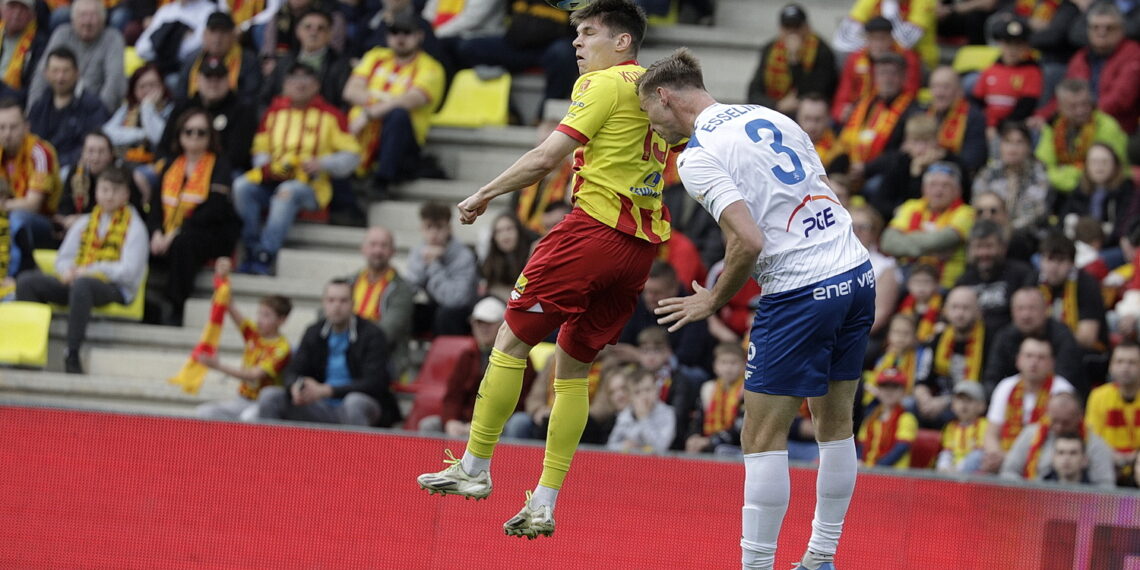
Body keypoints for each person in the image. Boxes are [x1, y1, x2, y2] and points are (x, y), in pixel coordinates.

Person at [417, 0, 669, 541]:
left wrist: (484, 193)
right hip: (639, 249)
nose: (577, 43)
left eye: (590, 33)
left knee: (509, 342)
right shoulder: (659, 88)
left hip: (592, 232)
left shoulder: (603, 84)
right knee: (573, 369)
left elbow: (543, 159)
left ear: (622, 42)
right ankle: (545, 501)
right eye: (576, 34)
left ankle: (476, 466)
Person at [639, 48, 874, 570]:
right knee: (835, 425)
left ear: (665, 96)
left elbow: (747, 241)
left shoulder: (698, 155)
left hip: (799, 292)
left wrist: (713, 299)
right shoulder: (771, 116)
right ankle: (820, 558)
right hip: (855, 273)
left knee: (761, 436)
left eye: (648, 116)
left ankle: (757, 566)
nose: (651, 129)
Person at [15, 166, 147, 373]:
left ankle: (72, 353)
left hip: (114, 288)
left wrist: (90, 271)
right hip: (77, 282)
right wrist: (67, 272)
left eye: (115, 190)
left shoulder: (135, 227)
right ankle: (28, 351)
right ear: (96, 192)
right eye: (104, 189)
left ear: (126, 194)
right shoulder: (85, 222)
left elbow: (128, 272)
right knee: (27, 282)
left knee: (83, 285)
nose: (109, 195)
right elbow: (63, 259)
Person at [233, 62, 360, 275]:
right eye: (293, 79)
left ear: (316, 85)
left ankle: (266, 253)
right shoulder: (273, 113)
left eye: (306, 79)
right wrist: (269, 167)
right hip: (273, 179)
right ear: (284, 85)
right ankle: (251, 245)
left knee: (287, 191)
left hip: (311, 186)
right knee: (241, 186)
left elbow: (353, 154)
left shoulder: (331, 116)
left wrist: (322, 163)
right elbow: (260, 149)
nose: (299, 85)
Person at [251, 278, 400, 427]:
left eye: (343, 301)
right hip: (319, 406)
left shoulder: (372, 334)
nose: (337, 306)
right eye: (331, 300)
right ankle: (268, 449)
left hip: (362, 405)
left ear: (353, 304)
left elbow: (375, 382)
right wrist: (296, 387)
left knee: (354, 403)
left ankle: (357, 450)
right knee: (270, 396)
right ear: (324, 303)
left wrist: (328, 390)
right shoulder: (314, 332)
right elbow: (293, 370)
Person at [148, 108, 241, 326]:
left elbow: (214, 210)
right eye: (189, 132)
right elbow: (155, 207)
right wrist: (155, 233)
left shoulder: (219, 164)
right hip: (169, 231)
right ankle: (145, 305)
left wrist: (175, 233)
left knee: (183, 243)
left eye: (201, 132)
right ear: (179, 135)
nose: (194, 137)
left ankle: (175, 306)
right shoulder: (170, 165)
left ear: (210, 136)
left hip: (209, 232)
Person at [343, 11, 445, 196]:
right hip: (363, 131)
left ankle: (382, 181)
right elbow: (350, 91)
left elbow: (409, 100)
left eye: (406, 33)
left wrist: (369, 112)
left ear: (419, 36)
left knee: (397, 115)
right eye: (394, 32)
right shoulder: (375, 56)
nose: (400, 38)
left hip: (402, 141)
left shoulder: (431, 68)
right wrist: (384, 102)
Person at [417, 296, 538, 435]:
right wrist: (451, 421)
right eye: (478, 324)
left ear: (502, 326)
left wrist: (483, 426)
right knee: (429, 425)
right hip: (465, 422)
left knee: (517, 424)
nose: (483, 329)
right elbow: (452, 395)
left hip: (498, 425)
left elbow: (520, 402)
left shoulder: (521, 358)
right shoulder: (467, 356)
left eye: (489, 324)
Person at [196, 258, 293, 421]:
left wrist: (218, 366)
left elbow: (254, 375)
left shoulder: (282, 348)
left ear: (282, 320)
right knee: (205, 413)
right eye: (259, 313)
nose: (260, 319)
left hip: (262, 404)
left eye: (266, 315)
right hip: (242, 399)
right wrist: (223, 278)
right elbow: (229, 305)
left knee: (248, 418)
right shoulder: (253, 333)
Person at [982, 337, 1078, 472]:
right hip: (1004, 454)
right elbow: (991, 433)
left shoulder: (1062, 390)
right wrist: (996, 454)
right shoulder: (1006, 386)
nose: (1034, 362)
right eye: (1029, 356)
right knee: (975, 460)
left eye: (1041, 358)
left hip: (1046, 457)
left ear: (1051, 363)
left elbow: (1066, 437)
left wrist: (1014, 458)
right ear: (1018, 360)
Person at [879, 161, 976, 289]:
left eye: (945, 185)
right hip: (907, 278)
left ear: (958, 190)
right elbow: (888, 242)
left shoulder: (966, 212)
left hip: (945, 284)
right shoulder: (911, 206)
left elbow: (941, 240)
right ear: (923, 189)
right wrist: (931, 248)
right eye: (933, 185)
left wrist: (907, 242)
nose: (938, 191)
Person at [156, 56, 259, 175]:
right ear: (198, 79)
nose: (213, 83)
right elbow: (165, 146)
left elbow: (238, 155)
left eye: (219, 78)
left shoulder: (242, 109)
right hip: (181, 167)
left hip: (223, 171)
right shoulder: (184, 106)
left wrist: (204, 169)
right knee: (148, 174)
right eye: (208, 77)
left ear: (228, 80)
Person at [27, 0, 126, 112]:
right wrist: (33, 110)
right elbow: (42, 74)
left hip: (93, 111)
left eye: (93, 16)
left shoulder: (113, 38)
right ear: (73, 19)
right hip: (56, 109)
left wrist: (98, 115)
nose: (87, 22)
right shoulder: (62, 34)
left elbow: (115, 82)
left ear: (103, 19)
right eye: (82, 15)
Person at [982, 287, 1085, 394]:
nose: (1025, 315)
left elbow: (1067, 376)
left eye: (1032, 308)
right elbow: (992, 377)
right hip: (1013, 400)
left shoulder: (1062, 335)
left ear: (1045, 310)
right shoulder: (1004, 337)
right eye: (1020, 309)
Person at [1000, 391, 1115, 486]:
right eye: (1054, 421)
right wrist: (1028, 492)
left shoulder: (1095, 445)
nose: (1059, 427)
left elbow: (1106, 485)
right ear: (1047, 414)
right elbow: (1009, 471)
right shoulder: (1030, 434)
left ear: (1080, 416)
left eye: (1066, 422)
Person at [1035, 78, 1128, 195]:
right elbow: (1043, 165)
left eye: (1085, 104)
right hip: (1059, 191)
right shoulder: (1053, 126)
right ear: (1060, 107)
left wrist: (1062, 174)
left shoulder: (1107, 126)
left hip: (1099, 190)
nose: (1080, 111)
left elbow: (1106, 169)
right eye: (1073, 106)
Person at [746, 4, 838, 117]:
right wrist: (777, 105)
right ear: (780, 29)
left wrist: (795, 59)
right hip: (774, 109)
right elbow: (754, 93)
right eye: (787, 27)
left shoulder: (821, 51)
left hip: (805, 114)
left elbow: (816, 94)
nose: (792, 33)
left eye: (797, 27)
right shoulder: (770, 50)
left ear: (807, 27)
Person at [1061, 3, 1140, 135]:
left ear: (1121, 30)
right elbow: (1065, 93)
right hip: (1079, 122)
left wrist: (1086, 115)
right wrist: (1042, 116)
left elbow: (1120, 100)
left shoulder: (1134, 54)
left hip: (1117, 127)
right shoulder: (1080, 57)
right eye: (1095, 27)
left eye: (1109, 28)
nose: (1101, 32)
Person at [26, 47, 110, 169]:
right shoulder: (39, 106)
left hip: (73, 169)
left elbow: (92, 146)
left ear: (77, 73)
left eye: (66, 71)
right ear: (46, 73)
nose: (60, 77)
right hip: (39, 166)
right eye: (55, 71)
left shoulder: (92, 106)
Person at [348, 226, 414, 379]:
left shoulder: (402, 289)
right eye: (373, 245)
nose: (377, 251)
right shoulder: (349, 282)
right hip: (348, 349)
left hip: (386, 357)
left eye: (383, 246)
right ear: (363, 249)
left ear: (393, 251)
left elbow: (386, 333)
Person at [405, 200, 479, 336]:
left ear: (449, 229)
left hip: (462, 313)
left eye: (439, 227)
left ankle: (445, 356)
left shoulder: (463, 256)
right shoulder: (419, 251)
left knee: (446, 315)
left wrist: (433, 265)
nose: (433, 234)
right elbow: (408, 288)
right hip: (435, 306)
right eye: (428, 227)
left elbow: (455, 300)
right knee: (405, 309)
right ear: (421, 228)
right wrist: (425, 263)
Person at [918, 286, 989, 426]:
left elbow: (985, 387)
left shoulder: (988, 340)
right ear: (946, 311)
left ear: (978, 312)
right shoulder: (937, 338)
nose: (960, 313)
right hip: (935, 402)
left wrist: (946, 401)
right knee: (909, 405)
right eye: (955, 307)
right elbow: (921, 380)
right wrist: (925, 399)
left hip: (969, 405)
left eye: (966, 308)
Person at [831, 17, 922, 125]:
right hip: (858, 113)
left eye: (882, 39)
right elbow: (844, 93)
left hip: (893, 113)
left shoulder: (908, 59)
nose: (878, 45)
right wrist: (841, 111)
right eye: (873, 39)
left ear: (891, 39)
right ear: (866, 39)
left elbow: (910, 93)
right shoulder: (855, 59)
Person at [261, 8, 351, 110]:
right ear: (298, 31)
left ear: (329, 34)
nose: (313, 33)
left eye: (320, 28)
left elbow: (344, 105)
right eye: (308, 27)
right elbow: (264, 99)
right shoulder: (284, 62)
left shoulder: (340, 65)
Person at [0, 97, 61, 247]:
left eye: (13, 127)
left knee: (17, 217)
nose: (7, 134)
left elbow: (33, 205)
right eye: (2, 127)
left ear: (26, 127)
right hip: (7, 212)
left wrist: (4, 205)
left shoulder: (39, 153)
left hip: (41, 222)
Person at [971, 122, 1052, 232]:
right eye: (1007, 142)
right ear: (1000, 145)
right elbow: (977, 204)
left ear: (1029, 147)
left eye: (1019, 142)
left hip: (1027, 234)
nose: (1012, 148)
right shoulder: (989, 172)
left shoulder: (1038, 174)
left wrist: (1008, 231)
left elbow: (1036, 212)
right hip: (991, 231)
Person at [1037, 232, 1108, 352]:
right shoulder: (1033, 281)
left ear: (1072, 263)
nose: (1054, 267)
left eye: (1060, 260)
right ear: (1040, 260)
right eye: (1049, 259)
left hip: (1081, 354)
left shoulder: (1087, 284)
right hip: (1042, 351)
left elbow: (1087, 338)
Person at [971, 19, 1042, 136]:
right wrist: (988, 124)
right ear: (1001, 45)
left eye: (1018, 45)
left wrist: (999, 127)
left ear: (1026, 47)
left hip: (1014, 127)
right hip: (987, 126)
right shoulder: (991, 69)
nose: (1012, 50)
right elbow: (977, 101)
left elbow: (1026, 106)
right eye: (1008, 44)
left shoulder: (1032, 71)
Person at [1085, 341, 1140, 484]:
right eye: (1119, 362)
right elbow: (1093, 436)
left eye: (1132, 362)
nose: (1125, 367)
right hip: (1107, 464)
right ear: (1111, 366)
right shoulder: (1098, 396)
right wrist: (1113, 456)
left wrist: (1135, 457)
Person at [176, 12, 260, 103]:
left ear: (233, 35)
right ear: (204, 35)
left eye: (223, 32)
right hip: (196, 112)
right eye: (213, 31)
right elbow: (181, 96)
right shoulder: (192, 60)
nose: (217, 38)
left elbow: (250, 97)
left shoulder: (248, 60)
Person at [102, 64, 172, 169]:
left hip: (157, 165)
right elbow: (106, 133)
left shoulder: (170, 109)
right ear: (134, 90)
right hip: (126, 161)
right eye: (142, 86)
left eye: (152, 85)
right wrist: (141, 134)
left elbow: (161, 138)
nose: (148, 90)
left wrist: (147, 108)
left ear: (162, 86)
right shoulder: (128, 108)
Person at [685, 342, 747, 454]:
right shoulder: (708, 388)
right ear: (715, 366)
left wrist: (710, 441)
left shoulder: (746, 390)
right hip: (709, 439)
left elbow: (741, 427)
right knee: (692, 444)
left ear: (744, 365)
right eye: (723, 362)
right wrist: (694, 436)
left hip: (736, 445)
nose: (728, 367)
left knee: (720, 450)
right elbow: (698, 418)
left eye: (733, 362)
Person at [925, 66, 987, 175]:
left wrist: (942, 156)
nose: (939, 93)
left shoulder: (973, 117)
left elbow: (973, 161)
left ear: (960, 91)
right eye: (935, 87)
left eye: (946, 87)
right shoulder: (923, 113)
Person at [606, 365, 676, 454]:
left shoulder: (667, 413)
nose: (644, 396)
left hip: (658, 464)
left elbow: (661, 447)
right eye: (637, 392)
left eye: (648, 390)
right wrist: (623, 446)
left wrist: (643, 418)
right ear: (630, 397)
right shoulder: (625, 414)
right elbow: (610, 446)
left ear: (657, 390)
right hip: (629, 462)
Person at [857, 368, 919, 469]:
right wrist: (859, 461)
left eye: (894, 387)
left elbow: (900, 449)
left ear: (903, 392)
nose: (889, 392)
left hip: (894, 477)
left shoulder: (907, 418)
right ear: (879, 390)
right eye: (884, 387)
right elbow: (861, 445)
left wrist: (875, 468)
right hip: (868, 473)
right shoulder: (871, 417)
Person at [479, 212, 535, 302]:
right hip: (501, 303)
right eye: (499, 231)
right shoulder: (491, 261)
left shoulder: (532, 254)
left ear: (519, 231)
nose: (505, 235)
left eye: (509, 229)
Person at [935, 381, 988, 473]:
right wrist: (945, 466)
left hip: (975, 471)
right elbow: (948, 450)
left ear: (981, 406)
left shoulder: (983, 424)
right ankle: (943, 476)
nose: (964, 405)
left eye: (969, 400)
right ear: (953, 405)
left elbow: (980, 451)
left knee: (977, 455)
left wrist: (958, 467)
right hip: (954, 467)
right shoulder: (950, 427)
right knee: (944, 455)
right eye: (960, 400)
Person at [0, 0, 48, 99]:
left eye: (23, 8)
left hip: (13, 104)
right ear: (1, 9)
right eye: (12, 6)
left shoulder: (40, 45)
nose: (17, 13)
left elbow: (33, 91)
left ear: (33, 15)